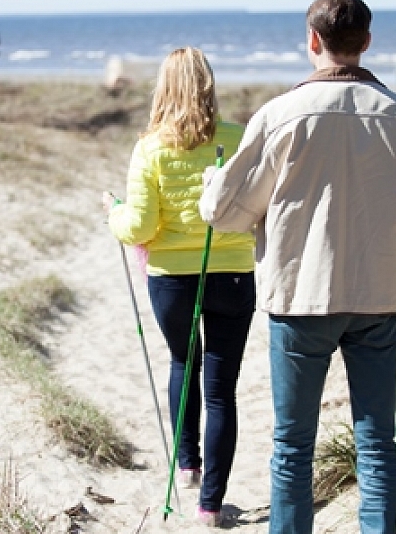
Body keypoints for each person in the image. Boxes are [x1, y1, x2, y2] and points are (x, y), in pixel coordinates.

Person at [199, 0, 396, 534]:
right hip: (379, 294)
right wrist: (383, 238)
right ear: (366, 42)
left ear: (313, 41)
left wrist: (216, 182)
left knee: (293, 445)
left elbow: (224, 211)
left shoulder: (281, 115)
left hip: (300, 295)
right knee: (377, 441)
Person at [102, 47, 256, 528]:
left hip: (171, 280)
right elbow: (256, 206)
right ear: (209, 86)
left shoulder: (149, 148)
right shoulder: (238, 139)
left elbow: (140, 226)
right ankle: (210, 505)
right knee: (220, 390)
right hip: (231, 273)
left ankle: (187, 465)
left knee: (181, 362)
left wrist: (113, 214)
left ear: (162, 89)